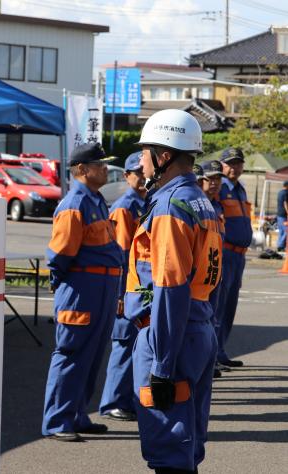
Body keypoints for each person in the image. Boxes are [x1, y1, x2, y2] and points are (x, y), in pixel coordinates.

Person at [125, 109, 222, 473]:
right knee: (187, 445)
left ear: (164, 156)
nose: (142, 162)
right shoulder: (200, 201)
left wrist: (162, 366)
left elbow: (170, 286)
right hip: (198, 328)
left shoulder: (168, 206)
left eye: (146, 152)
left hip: (169, 336)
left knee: (168, 448)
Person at [42, 142, 123, 442]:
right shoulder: (75, 204)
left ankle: (76, 415)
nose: (105, 168)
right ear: (81, 170)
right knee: (71, 353)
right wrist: (64, 284)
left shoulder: (96, 200)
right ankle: (57, 421)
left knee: (91, 355)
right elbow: (59, 255)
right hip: (81, 288)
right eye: (99, 164)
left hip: (100, 287)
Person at [99, 152, 147, 422]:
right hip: (127, 285)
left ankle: (125, 399)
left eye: (143, 171)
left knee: (134, 344)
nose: (141, 177)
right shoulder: (125, 206)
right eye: (135, 173)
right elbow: (120, 253)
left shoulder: (144, 202)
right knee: (123, 343)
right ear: (127, 176)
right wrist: (119, 294)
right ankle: (113, 401)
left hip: (139, 286)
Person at [215, 147, 252, 369]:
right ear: (221, 166)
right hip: (225, 253)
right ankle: (213, 354)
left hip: (240, 257)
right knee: (218, 305)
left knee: (230, 306)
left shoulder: (241, 189)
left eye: (238, 163)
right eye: (230, 163)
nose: (234, 167)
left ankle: (221, 351)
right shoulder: (219, 189)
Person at [196, 160, 227, 379]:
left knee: (215, 317)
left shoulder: (216, 206)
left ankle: (211, 359)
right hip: (201, 273)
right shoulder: (196, 206)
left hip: (216, 267)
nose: (214, 183)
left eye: (218, 178)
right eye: (210, 179)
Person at [277, 180, 288, 252]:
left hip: (279, 214)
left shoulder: (280, 192)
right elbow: (285, 203)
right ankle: (281, 246)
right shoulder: (286, 193)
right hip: (284, 214)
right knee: (286, 231)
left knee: (281, 230)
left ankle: (279, 245)